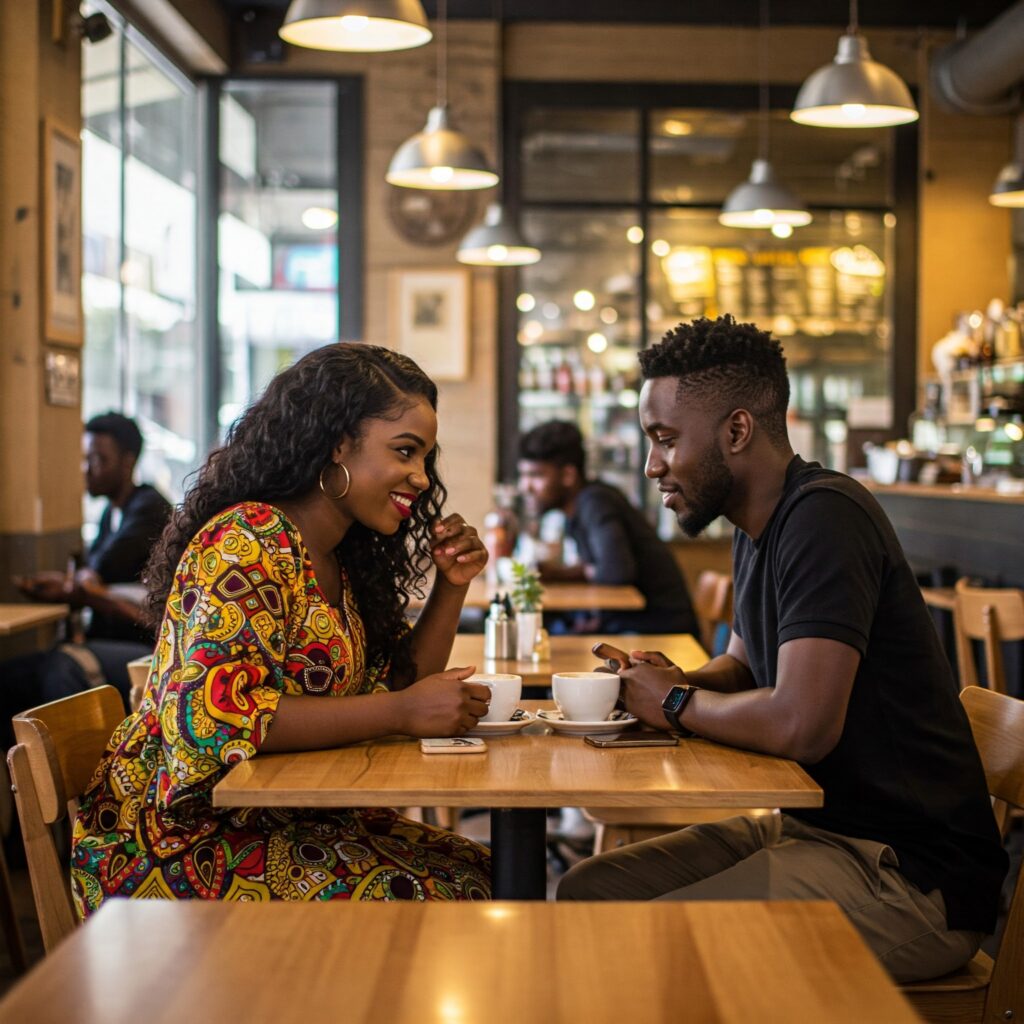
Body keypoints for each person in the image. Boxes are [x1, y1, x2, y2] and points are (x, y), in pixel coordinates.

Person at [557, 315, 1008, 984]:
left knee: (652, 953)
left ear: (737, 431)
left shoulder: (826, 518)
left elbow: (805, 724)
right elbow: (743, 665)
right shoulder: (756, 523)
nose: (652, 464)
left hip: (908, 879)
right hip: (814, 830)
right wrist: (678, 680)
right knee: (587, 894)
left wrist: (678, 702)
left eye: (665, 439)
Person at [71, 344, 492, 911]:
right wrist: (402, 712)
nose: (420, 477)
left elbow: (398, 685)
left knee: (490, 872)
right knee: (469, 892)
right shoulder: (248, 541)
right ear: (338, 442)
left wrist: (452, 583)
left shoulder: (339, 556)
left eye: (425, 458)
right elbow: (216, 718)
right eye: (406, 451)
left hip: (279, 822)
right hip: (179, 843)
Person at [1, 414, 170, 743]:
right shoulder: (111, 513)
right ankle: (25, 784)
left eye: (98, 459)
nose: (86, 469)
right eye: (85, 459)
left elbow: (100, 569)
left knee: (63, 666)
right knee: (11, 677)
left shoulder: (148, 509)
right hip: (113, 643)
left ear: (127, 463)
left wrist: (79, 588)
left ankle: (79, 786)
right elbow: (88, 579)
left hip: (147, 650)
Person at [517, 420, 697, 635]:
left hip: (657, 631)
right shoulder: (582, 505)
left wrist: (577, 571)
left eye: (535, 475)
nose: (525, 487)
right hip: (633, 624)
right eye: (523, 475)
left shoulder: (595, 502)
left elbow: (616, 572)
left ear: (568, 475)